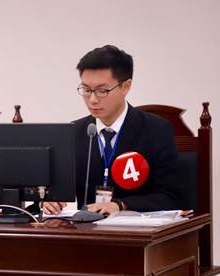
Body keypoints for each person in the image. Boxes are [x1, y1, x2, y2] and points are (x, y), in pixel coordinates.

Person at [43, 45, 181, 215]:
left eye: (102, 90)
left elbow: (171, 196)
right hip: (85, 228)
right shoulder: (74, 133)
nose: (92, 100)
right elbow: (53, 189)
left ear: (125, 86)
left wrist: (121, 205)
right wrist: (49, 200)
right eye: (86, 90)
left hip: (136, 228)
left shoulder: (156, 130)